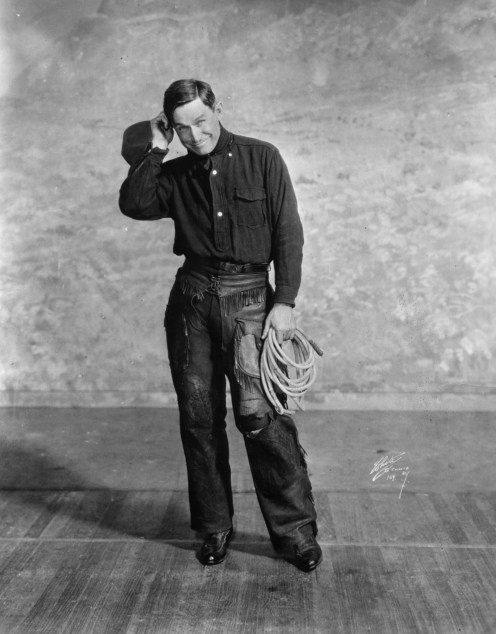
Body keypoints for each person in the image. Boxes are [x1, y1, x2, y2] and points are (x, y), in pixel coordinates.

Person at [119, 79, 322, 572]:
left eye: (201, 121)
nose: (195, 135)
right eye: (182, 128)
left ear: (218, 109)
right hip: (192, 301)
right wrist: (156, 148)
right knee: (198, 418)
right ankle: (213, 528)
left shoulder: (262, 157)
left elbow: (288, 232)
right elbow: (134, 204)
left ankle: (295, 533)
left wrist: (285, 301)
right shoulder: (173, 170)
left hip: (251, 300)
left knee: (259, 417)